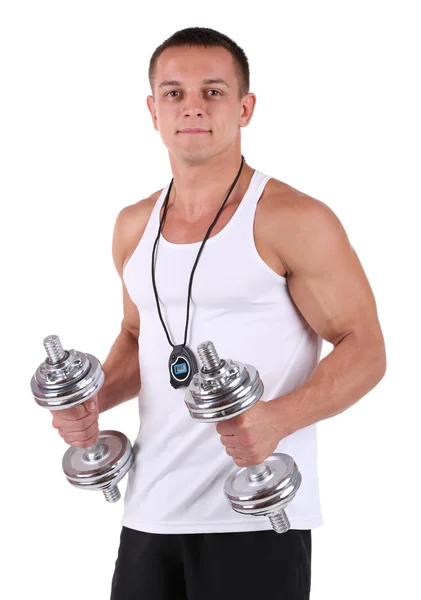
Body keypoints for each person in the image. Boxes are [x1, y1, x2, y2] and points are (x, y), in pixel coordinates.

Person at [50, 27, 387, 600]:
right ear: (152, 110)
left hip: (254, 516)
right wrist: (94, 397)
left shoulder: (292, 218)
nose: (193, 108)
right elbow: (139, 337)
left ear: (245, 107)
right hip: (150, 511)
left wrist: (277, 418)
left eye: (213, 91)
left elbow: (367, 350)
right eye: (174, 93)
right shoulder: (134, 226)